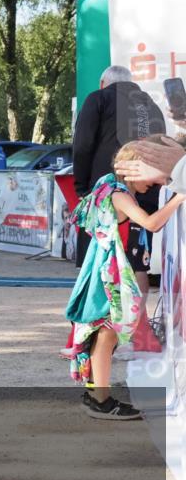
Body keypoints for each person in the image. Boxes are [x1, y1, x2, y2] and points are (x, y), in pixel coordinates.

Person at [62, 137, 185, 420]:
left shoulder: (107, 185)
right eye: (152, 176)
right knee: (106, 334)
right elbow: (152, 223)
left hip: (101, 267)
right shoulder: (121, 195)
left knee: (103, 334)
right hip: (108, 272)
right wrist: (179, 197)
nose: (154, 184)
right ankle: (100, 400)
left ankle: (97, 394)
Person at [73, 65, 166, 266]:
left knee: (102, 262)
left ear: (102, 84)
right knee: (137, 262)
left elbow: (82, 145)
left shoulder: (98, 98)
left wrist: (81, 187)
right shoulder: (151, 105)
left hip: (108, 191)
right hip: (146, 190)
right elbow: (161, 147)